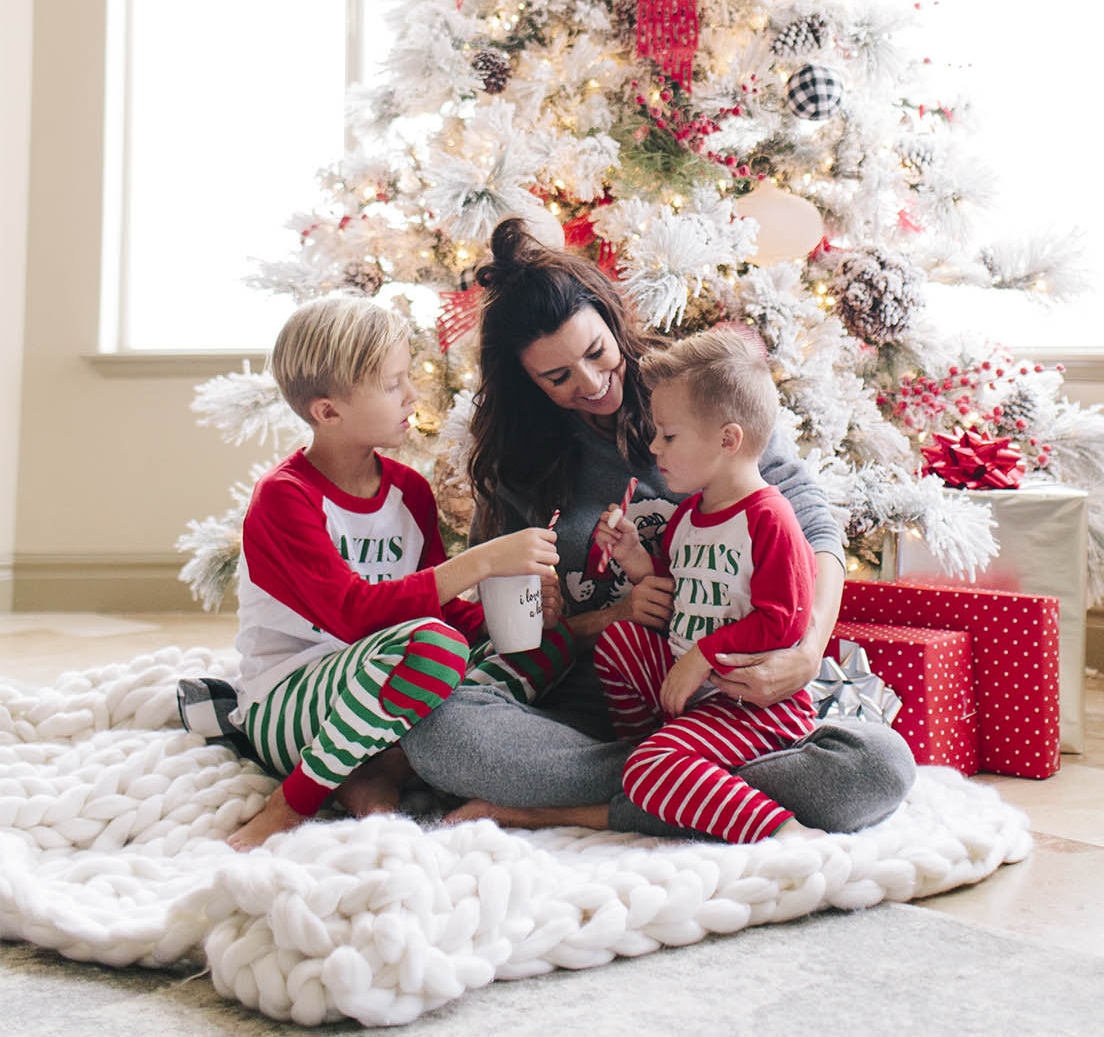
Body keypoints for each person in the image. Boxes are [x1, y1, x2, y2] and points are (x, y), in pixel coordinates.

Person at [403, 216, 914, 835]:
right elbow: (504, 629)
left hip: (729, 705)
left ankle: (588, 804)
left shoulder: (698, 394)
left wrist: (807, 653)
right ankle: (683, 782)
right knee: (441, 733)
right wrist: (587, 619)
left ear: (612, 322)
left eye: (597, 353)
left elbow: (814, 527)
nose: (592, 383)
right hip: (594, 713)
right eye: (558, 377)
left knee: (876, 766)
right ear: (527, 383)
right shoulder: (520, 465)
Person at [221, 293, 570, 851]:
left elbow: (439, 610)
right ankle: (293, 801)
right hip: (291, 704)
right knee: (432, 649)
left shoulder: (409, 491)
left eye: (408, 377)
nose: (412, 395)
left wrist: (506, 619)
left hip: (390, 681)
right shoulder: (285, 497)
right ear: (327, 412)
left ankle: (383, 768)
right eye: (392, 384)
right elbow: (353, 615)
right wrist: (482, 561)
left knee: (541, 647)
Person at [592, 328, 822, 842]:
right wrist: (636, 561)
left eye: (669, 436)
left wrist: (702, 657)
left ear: (727, 439)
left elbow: (783, 622)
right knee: (619, 642)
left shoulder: (770, 518)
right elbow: (682, 596)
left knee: (647, 773)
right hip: (696, 691)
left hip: (753, 705)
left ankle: (784, 832)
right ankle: (664, 754)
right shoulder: (688, 516)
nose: (654, 447)